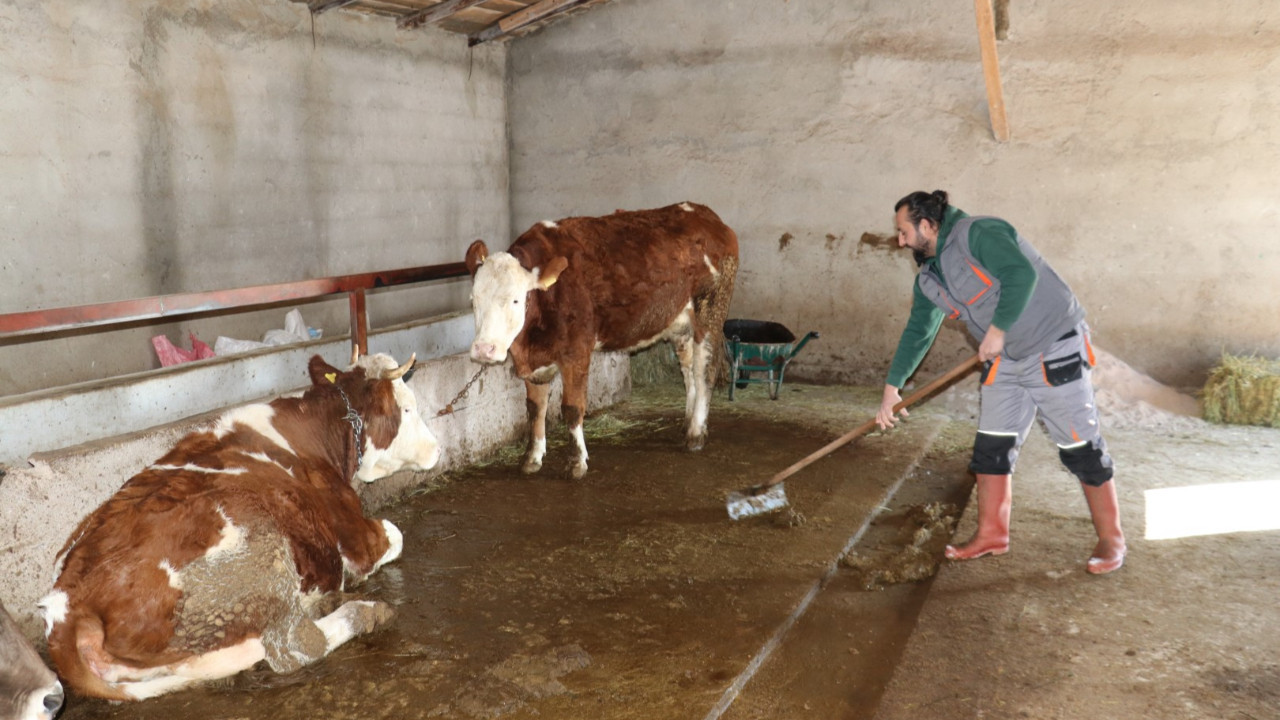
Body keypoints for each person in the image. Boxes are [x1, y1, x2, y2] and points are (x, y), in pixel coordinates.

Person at [875, 190, 1126, 574]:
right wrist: (893, 388)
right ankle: (992, 535)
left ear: (927, 224)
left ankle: (1112, 540)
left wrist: (996, 330)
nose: (900, 240)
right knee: (991, 447)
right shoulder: (928, 276)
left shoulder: (979, 232)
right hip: (1006, 357)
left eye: (904, 230)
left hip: (1051, 343)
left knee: (1079, 445)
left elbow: (1019, 273)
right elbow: (918, 330)